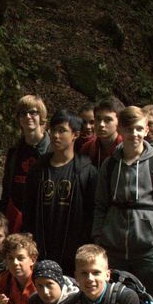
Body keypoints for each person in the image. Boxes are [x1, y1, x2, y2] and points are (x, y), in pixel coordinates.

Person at [91, 106, 153, 304]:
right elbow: (100, 205)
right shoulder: (110, 164)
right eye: (129, 129)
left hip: (149, 251)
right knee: (114, 301)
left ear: (147, 130)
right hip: (113, 249)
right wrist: (99, 237)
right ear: (121, 130)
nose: (135, 134)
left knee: (151, 303)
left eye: (139, 129)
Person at [22, 109, 97, 275]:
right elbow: (28, 208)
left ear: (75, 134)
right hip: (42, 245)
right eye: (53, 130)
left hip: (73, 249)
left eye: (62, 131)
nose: (56, 135)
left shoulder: (86, 171)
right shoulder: (38, 170)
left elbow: (92, 213)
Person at [1, 94, 49, 232]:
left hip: (42, 217)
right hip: (16, 216)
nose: (28, 117)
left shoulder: (51, 150)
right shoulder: (15, 151)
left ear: (41, 116)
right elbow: (7, 186)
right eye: (23, 113)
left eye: (33, 112)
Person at [80, 95, 125, 167]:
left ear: (119, 122)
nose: (101, 124)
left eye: (108, 120)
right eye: (98, 119)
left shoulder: (127, 148)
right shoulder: (87, 148)